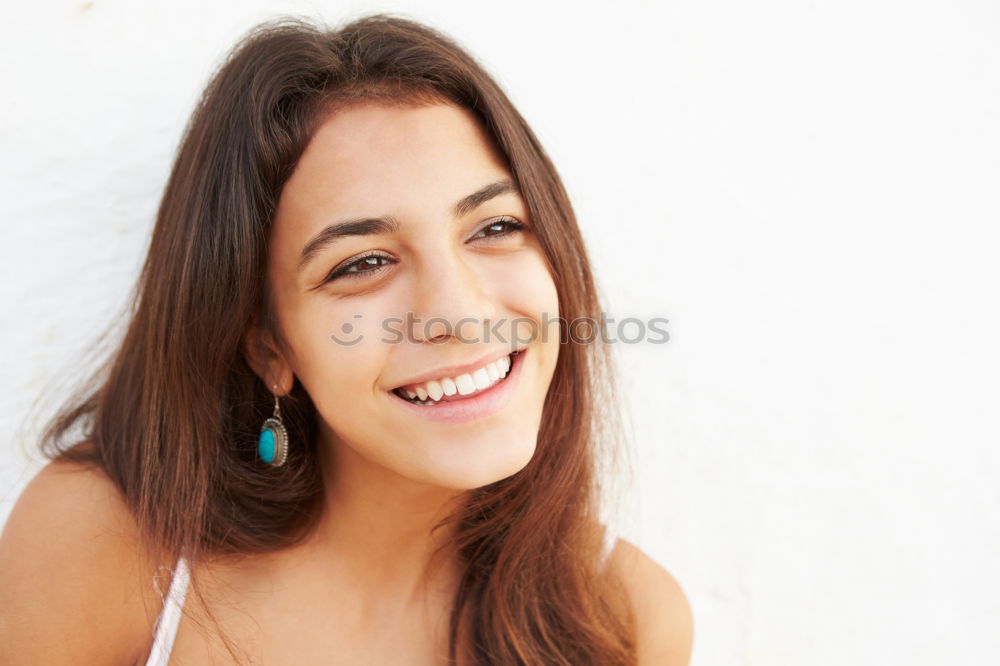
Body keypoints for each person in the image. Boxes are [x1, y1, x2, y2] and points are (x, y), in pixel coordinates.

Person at [0, 12, 692, 665]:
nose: (459, 312)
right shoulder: (104, 542)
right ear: (269, 349)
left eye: (494, 227)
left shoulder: (623, 616)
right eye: (362, 263)